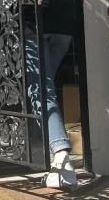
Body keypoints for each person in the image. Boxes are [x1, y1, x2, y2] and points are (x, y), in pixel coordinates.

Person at [24, 31, 77, 190]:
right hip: (62, 26)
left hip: (32, 25)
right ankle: (38, 152)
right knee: (41, 87)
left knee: (40, 89)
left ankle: (60, 154)